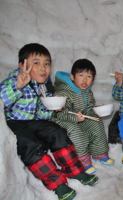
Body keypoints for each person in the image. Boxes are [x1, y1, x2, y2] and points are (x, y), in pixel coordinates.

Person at [0, 43, 98, 200]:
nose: (43, 68)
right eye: (36, 63)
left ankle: (75, 171)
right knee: (31, 144)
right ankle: (57, 183)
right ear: (22, 65)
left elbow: (42, 114)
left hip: (35, 122)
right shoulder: (14, 80)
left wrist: (53, 106)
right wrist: (17, 85)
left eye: (47, 63)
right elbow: (2, 99)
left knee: (57, 131)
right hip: (15, 123)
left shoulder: (44, 86)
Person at [51, 59, 114, 175]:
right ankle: (82, 160)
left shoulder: (87, 92)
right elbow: (61, 112)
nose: (85, 80)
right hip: (63, 120)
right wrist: (75, 118)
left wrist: (97, 110)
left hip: (81, 117)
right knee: (75, 132)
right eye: (81, 75)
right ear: (72, 77)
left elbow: (89, 107)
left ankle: (99, 152)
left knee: (97, 123)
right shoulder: (65, 92)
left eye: (89, 76)